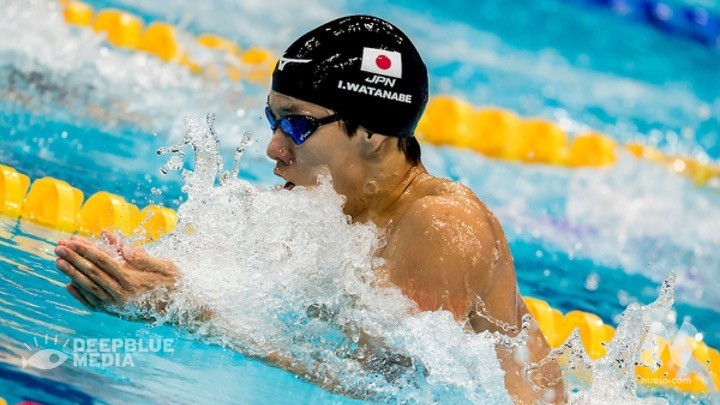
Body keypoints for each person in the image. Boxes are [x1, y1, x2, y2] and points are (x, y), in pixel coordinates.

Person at [54, 15, 566, 403]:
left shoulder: (442, 224)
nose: (274, 147)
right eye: (272, 120)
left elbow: (385, 389)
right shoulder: (341, 211)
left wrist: (181, 312)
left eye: (297, 125)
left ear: (373, 133)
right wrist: (167, 280)